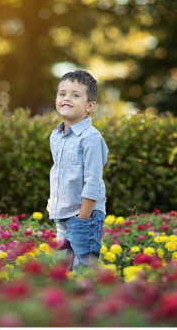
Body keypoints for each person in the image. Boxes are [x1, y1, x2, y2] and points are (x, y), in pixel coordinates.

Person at [46, 69, 109, 272]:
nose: (67, 98)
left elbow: (93, 182)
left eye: (75, 95)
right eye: (62, 93)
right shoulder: (56, 136)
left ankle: (90, 303)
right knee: (64, 270)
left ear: (90, 106)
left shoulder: (90, 138)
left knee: (83, 270)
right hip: (62, 215)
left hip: (84, 217)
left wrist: (83, 218)